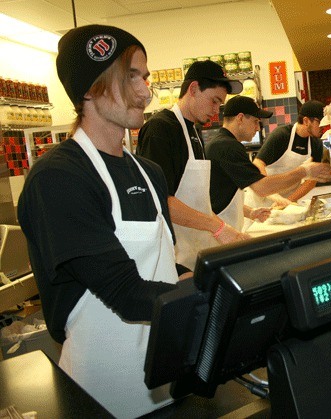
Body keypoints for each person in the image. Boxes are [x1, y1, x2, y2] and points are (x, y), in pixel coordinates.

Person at [17, 25, 186, 418]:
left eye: (145, 77)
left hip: (168, 382)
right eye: (130, 76)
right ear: (89, 89)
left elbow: (163, 268)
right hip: (104, 394)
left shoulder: (150, 173)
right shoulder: (58, 178)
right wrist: (216, 298)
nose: (146, 91)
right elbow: (126, 293)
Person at [136, 60, 246, 270]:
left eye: (219, 104)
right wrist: (218, 227)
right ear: (194, 89)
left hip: (194, 252)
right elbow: (160, 201)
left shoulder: (194, 132)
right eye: (214, 101)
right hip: (172, 257)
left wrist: (232, 233)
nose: (216, 111)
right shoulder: (160, 129)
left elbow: (198, 203)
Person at [205, 95, 331, 231]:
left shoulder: (225, 144)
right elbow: (262, 187)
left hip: (225, 224)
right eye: (255, 122)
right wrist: (304, 171)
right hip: (217, 229)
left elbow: (222, 196)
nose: (258, 128)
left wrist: (250, 212)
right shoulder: (227, 147)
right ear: (240, 118)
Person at [251, 100, 327, 206]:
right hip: (261, 200)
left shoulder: (316, 144)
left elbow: (311, 181)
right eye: (320, 122)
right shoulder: (282, 135)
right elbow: (258, 164)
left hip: (286, 202)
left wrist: (288, 201)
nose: (323, 127)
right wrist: (270, 193)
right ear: (306, 121)